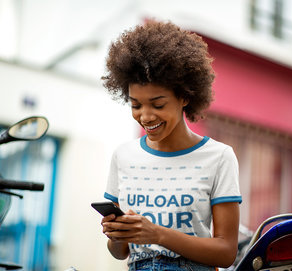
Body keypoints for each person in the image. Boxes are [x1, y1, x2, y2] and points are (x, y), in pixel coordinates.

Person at [100, 20, 242, 271]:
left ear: (185, 97)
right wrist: (118, 235)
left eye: (157, 105)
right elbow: (119, 253)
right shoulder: (123, 156)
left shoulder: (219, 157)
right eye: (136, 105)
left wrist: (157, 234)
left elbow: (226, 252)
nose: (145, 116)